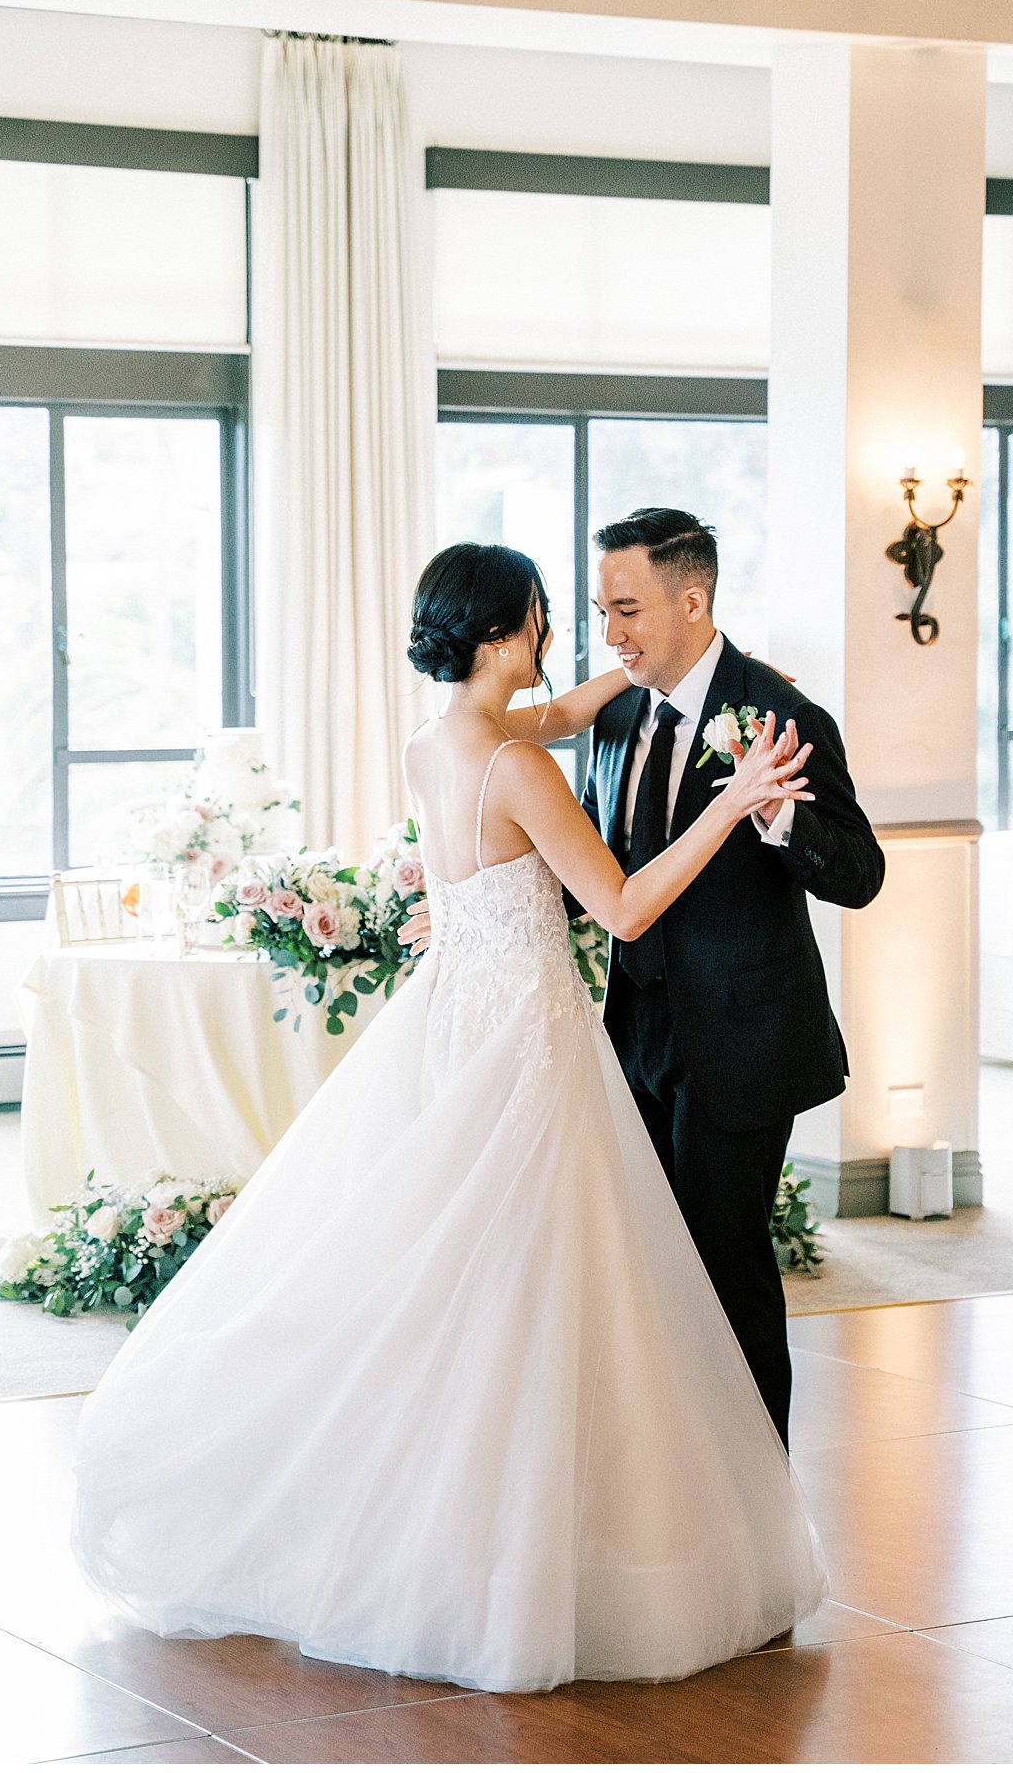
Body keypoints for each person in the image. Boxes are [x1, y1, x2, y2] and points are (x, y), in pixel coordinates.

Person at [69, 542, 829, 1694]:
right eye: (545, 615)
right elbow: (621, 908)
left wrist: (670, 660)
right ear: (503, 628)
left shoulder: (439, 742)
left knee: (450, 1289)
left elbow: (565, 708)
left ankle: (434, 1530)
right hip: (527, 1040)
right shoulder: (521, 770)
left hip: (454, 1028)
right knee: (534, 1298)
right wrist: (728, 800)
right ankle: (518, 1556)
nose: (562, 634)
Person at [583, 508, 886, 1452]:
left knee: (727, 1268)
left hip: (744, 1042)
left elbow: (861, 873)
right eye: (600, 609)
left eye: (626, 608)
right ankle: (675, 1486)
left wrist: (778, 822)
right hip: (632, 1033)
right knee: (647, 1267)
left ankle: (757, 1504)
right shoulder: (619, 715)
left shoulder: (785, 717)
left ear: (693, 599)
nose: (611, 633)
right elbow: (604, 861)